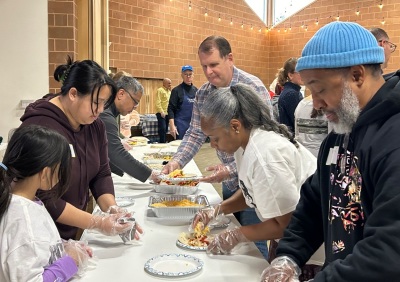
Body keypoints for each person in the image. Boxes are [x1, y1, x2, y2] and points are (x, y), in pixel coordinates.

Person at [261, 21, 400, 281]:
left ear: (357, 75)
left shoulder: (393, 137)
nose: (316, 104)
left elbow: (389, 251)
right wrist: (288, 257)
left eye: (320, 89)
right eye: (310, 91)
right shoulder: (339, 134)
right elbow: (315, 202)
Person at [162, 35, 272, 258]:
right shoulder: (203, 93)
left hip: (255, 181)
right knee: (230, 231)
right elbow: (194, 133)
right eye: (204, 66)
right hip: (231, 183)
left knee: (254, 244)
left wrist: (230, 169)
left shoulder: (252, 88)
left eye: (213, 64)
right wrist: (176, 161)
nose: (209, 71)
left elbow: (265, 142)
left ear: (229, 58)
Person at [20, 56, 141, 240]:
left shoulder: (94, 125)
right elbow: (42, 196)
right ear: (73, 94)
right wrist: (97, 223)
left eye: (104, 103)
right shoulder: (41, 126)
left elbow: (101, 173)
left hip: (71, 233)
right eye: (96, 102)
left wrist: (112, 209)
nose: (100, 110)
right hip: (38, 238)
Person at [192, 84, 316, 259]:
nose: (212, 145)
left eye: (215, 138)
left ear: (235, 126)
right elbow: (251, 191)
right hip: (288, 237)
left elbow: (286, 224)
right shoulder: (244, 145)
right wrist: (218, 209)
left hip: (309, 246)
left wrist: (237, 235)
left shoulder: (265, 155)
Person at [0, 125, 92, 281]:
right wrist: (71, 261)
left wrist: (63, 248)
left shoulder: (25, 202)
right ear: (46, 173)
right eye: (60, 168)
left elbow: (32, 248)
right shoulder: (24, 219)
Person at [99, 75, 158, 183]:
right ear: (121, 94)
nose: (135, 107)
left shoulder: (110, 112)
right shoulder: (106, 114)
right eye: (135, 102)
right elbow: (116, 153)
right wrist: (151, 174)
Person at [168, 65, 198, 140]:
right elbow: (170, 109)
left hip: (193, 127)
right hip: (180, 127)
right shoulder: (176, 91)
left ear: (193, 75)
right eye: (186, 74)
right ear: (182, 75)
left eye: (190, 74)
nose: (188, 76)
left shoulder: (196, 91)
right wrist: (172, 126)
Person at [277, 57, 304, 133]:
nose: (303, 74)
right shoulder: (291, 94)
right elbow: (297, 121)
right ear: (290, 75)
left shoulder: (293, 91)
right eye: (299, 72)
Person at [155, 78, 172, 143]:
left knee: (165, 130)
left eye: (170, 83)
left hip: (168, 113)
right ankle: (161, 143)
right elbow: (157, 102)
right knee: (162, 128)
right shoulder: (160, 90)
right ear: (164, 83)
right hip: (161, 113)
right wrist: (161, 111)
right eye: (169, 83)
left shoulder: (169, 92)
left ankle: (164, 142)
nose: (170, 84)